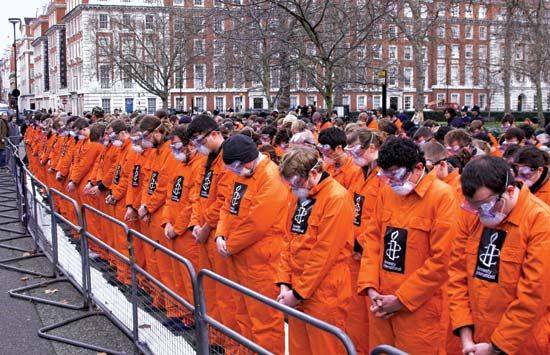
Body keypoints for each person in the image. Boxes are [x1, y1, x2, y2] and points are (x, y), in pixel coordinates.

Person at [357, 137, 456, 353]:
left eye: (396, 174)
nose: (391, 181)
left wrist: (402, 299)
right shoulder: (388, 191)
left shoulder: (442, 196)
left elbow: (443, 259)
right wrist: (371, 288)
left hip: (420, 309)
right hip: (381, 304)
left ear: (418, 167)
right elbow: (372, 239)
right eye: (386, 175)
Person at [449, 156, 550, 355]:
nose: (479, 212)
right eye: (473, 207)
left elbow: (534, 296)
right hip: (476, 340)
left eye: (485, 206)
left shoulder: (540, 222)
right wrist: (466, 334)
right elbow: (457, 275)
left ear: (509, 191)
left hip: (522, 343)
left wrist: (496, 347)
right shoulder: (472, 216)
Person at [277, 147, 354, 354]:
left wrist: (298, 292)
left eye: (296, 182)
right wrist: (284, 283)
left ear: (313, 173)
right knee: (298, 348)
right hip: (297, 286)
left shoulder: (336, 198)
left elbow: (324, 253)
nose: (292, 188)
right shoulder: (299, 194)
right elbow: (287, 239)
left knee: (325, 348)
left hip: (325, 291)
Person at [214, 134, 287, 353]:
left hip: (262, 263)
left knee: (265, 322)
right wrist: (220, 234)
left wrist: (229, 244)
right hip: (240, 258)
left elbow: (257, 222)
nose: (232, 172)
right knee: (243, 314)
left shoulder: (271, 176)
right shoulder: (243, 175)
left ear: (245, 161)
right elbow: (228, 207)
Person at [345, 128, 386, 354]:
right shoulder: (360, 172)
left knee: (369, 318)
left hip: (368, 252)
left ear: (371, 148)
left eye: (356, 150)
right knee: (356, 317)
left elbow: (379, 216)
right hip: (354, 251)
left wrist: (361, 242)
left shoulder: (383, 175)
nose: (353, 155)